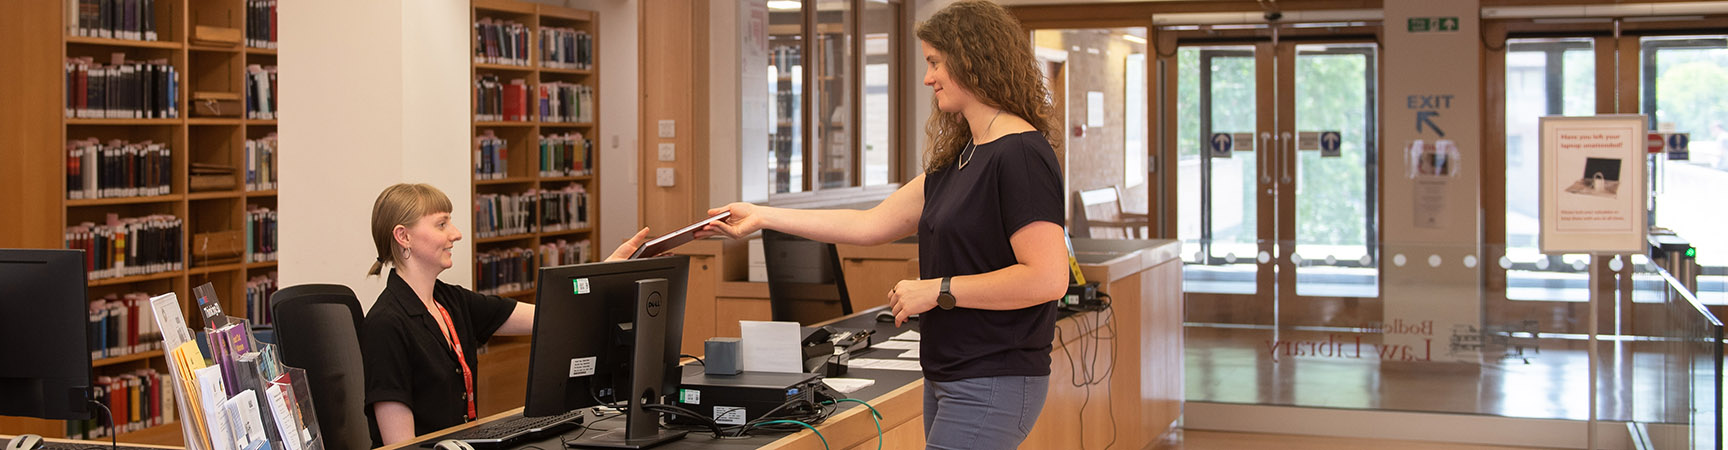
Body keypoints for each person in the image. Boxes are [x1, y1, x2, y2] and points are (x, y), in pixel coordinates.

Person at [702, 1, 1069, 447]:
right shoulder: (963, 156)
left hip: (994, 375)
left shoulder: (1020, 154)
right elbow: (869, 224)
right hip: (948, 373)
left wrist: (938, 289)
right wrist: (761, 216)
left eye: (935, 62)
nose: (928, 77)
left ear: (972, 59)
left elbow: (1049, 278)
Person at [361, 183, 652, 446]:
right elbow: (401, 447)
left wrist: (606, 273)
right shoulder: (386, 324)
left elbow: (549, 316)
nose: (456, 233)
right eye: (442, 224)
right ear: (403, 236)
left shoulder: (450, 300)